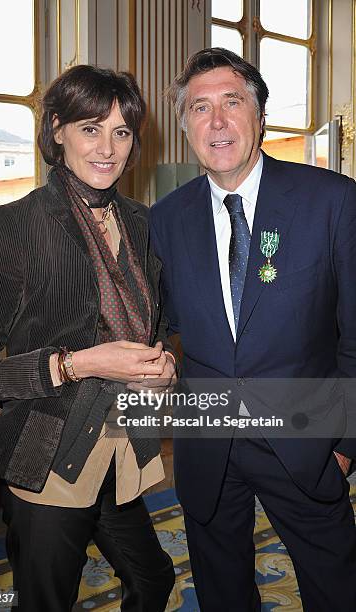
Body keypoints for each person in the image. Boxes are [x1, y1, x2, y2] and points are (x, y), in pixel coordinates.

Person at [0, 64, 176, 612]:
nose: (108, 147)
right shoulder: (20, 223)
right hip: (47, 458)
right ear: (57, 130)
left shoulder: (142, 223)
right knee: (48, 600)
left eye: (121, 132)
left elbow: (158, 324)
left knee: (153, 580)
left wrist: (164, 361)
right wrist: (78, 364)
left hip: (121, 449)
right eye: (90, 128)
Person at [149, 47, 356, 611]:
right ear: (185, 127)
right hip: (207, 447)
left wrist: (344, 443)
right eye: (198, 108)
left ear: (259, 115)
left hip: (306, 443)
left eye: (231, 102)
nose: (216, 121)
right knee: (221, 592)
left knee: (336, 586)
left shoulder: (332, 201)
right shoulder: (165, 219)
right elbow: (158, 322)